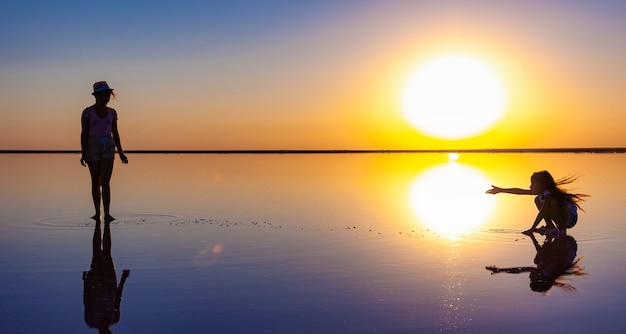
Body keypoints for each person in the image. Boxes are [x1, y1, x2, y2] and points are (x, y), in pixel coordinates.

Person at [81, 81, 128, 222]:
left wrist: (121, 153)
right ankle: (97, 213)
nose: (106, 99)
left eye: (108, 96)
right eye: (104, 96)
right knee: (95, 181)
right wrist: (84, 152)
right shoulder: (87, 112)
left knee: (106, 182)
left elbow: (116, 133)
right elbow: (84, 133)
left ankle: (107, 214)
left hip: (108, 146)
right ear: (96, 96)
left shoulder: (112, 113)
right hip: (92, 146)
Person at [486, 171, 586, 235]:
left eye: (533, 184)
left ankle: (561, 229)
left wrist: (532, 229)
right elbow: (520, 191)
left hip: (570, 219)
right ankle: (550, 226)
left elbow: (542, 212)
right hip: (562, 215)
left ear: (542, 185)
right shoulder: (541, 194)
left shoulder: (549, 195)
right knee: (537, 200)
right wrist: (501, 190)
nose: (530, 187)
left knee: (553, 203)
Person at [83, 219, 130, 333]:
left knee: (97, 252)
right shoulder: (114, 318)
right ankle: (101, 226)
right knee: (106, 252)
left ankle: (99, 226)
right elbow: (118, 298)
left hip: (96, 283)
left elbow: (86, 301)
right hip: (109, 283)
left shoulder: (91, 321)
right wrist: (123, 279)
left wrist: (84, 282)